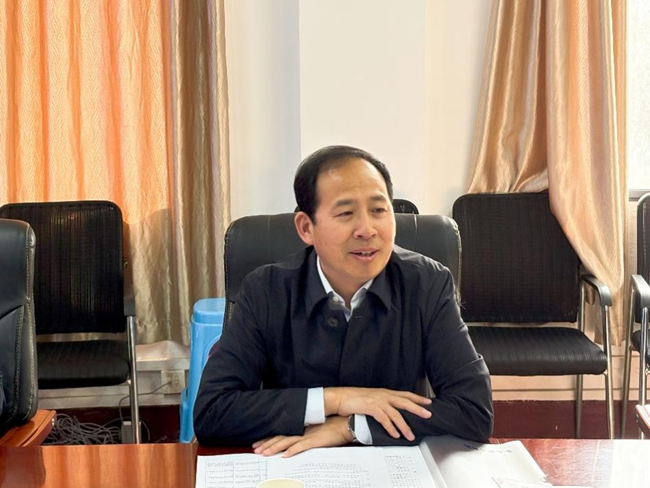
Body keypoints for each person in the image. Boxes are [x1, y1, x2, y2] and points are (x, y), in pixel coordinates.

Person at [194, 145, 493, 457]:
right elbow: (212, 412)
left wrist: (350, 426)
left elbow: (474, 411)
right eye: (346, 213)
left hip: (393, 463)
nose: (367, 229)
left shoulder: (427, 283)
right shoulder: (266, 290)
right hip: (294, 462)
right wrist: (336, 399)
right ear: (306, 228)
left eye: (379, 210)